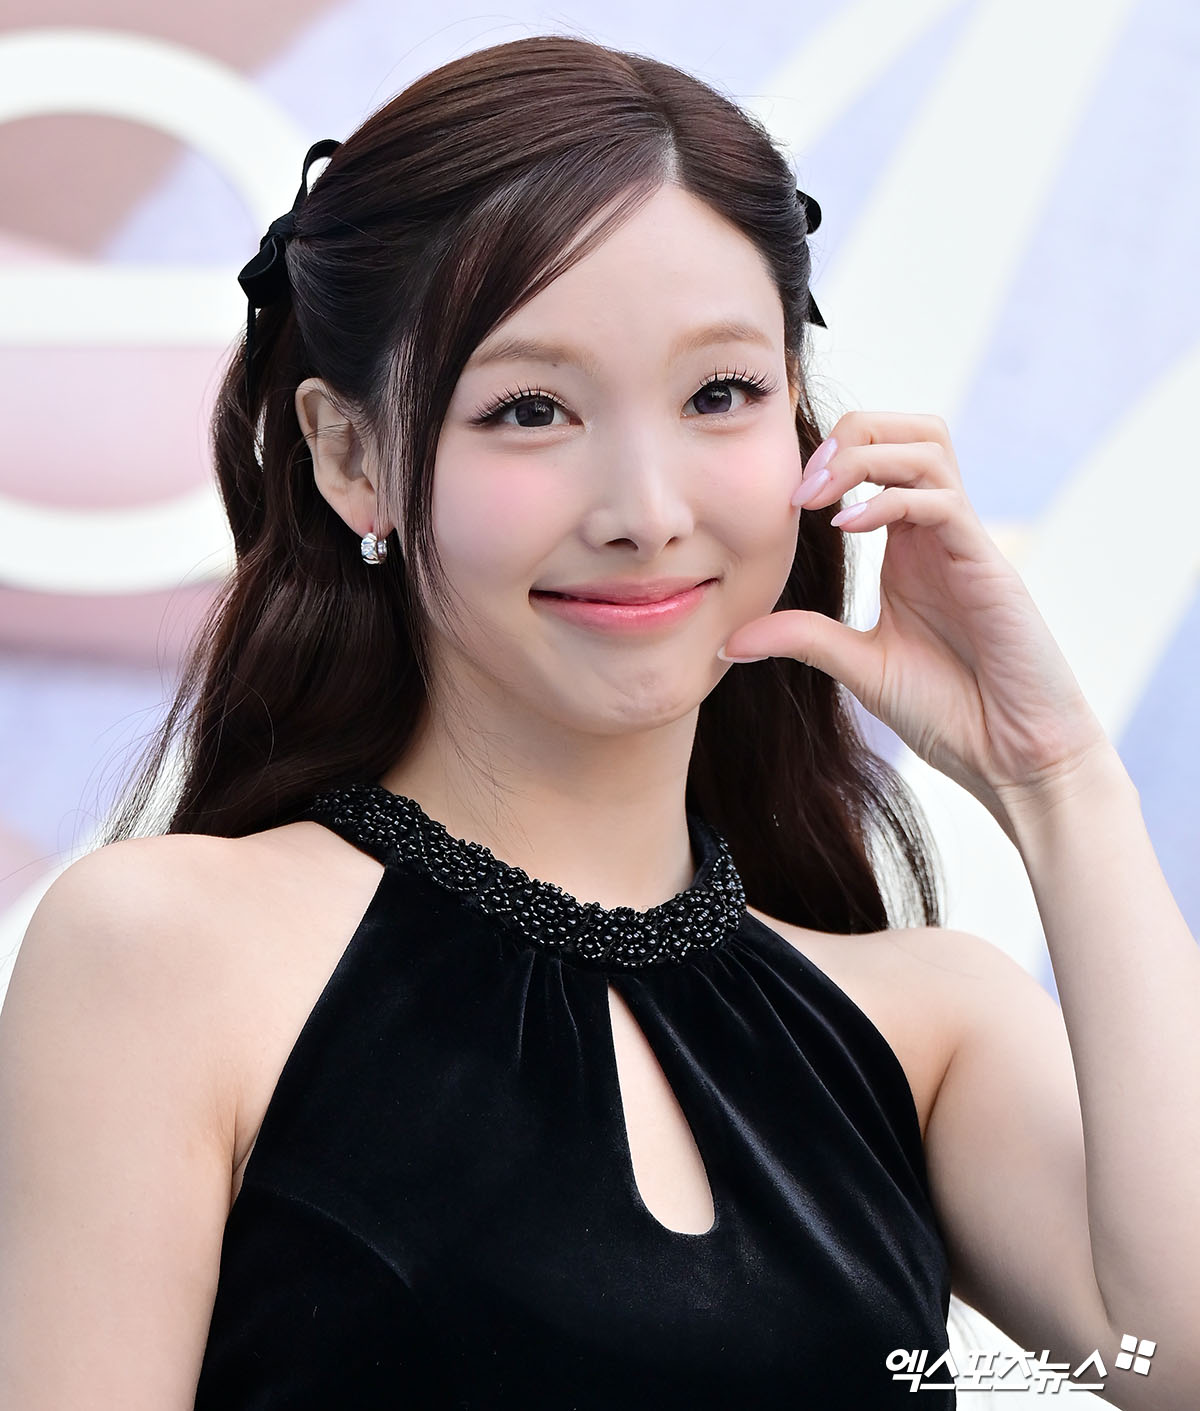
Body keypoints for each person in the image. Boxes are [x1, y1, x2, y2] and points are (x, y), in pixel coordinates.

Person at [0, 31, 1195, 1411]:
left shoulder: (927, 1026)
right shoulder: (167, 956)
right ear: (352, 456)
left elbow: (1174, 1358)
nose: (647, 509)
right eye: (531, 410)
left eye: (720, 396)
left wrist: (1059, 780)